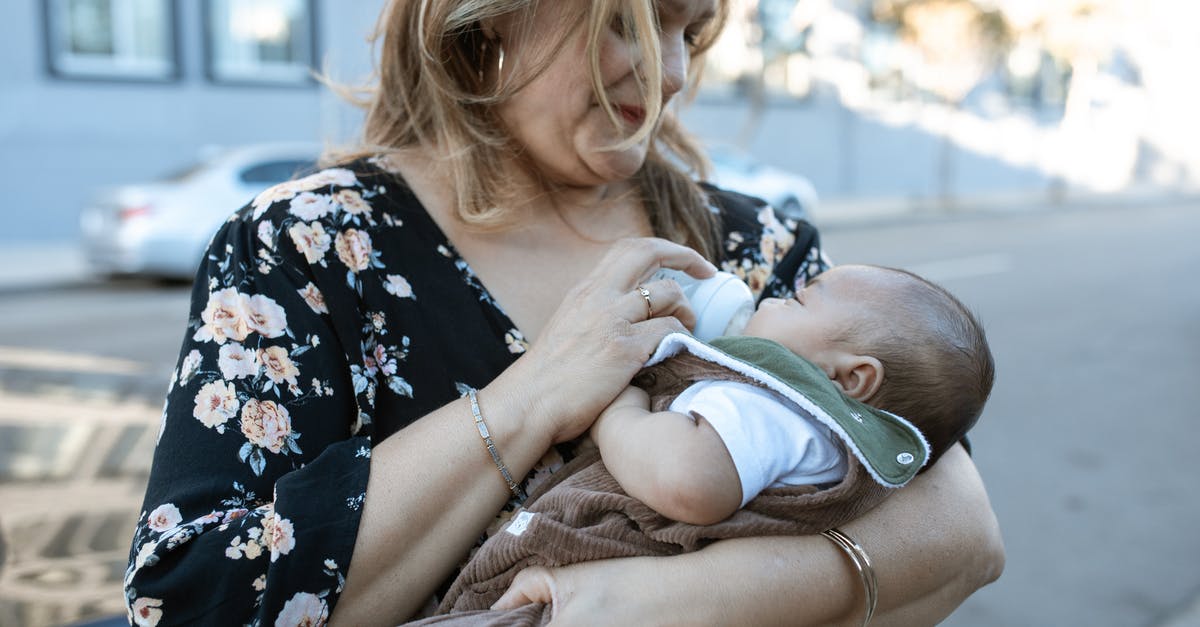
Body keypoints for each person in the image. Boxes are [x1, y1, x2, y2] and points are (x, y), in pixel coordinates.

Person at [123, 1, 1004, 625]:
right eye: (630, 19)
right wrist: (536, 390)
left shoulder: (758, 247)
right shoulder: (308, 244)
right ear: (490, 14)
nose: (671, 71)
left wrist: (665, 604)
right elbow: (193, 599)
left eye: (689, 28)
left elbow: (960, 529)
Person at [420, 264, 994, 622]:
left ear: (850, 380)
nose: (768, 299)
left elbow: (687, 483)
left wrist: (618, 408)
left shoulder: (776, 407)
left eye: (796, 300)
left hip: (590, 572)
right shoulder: (829, 439)